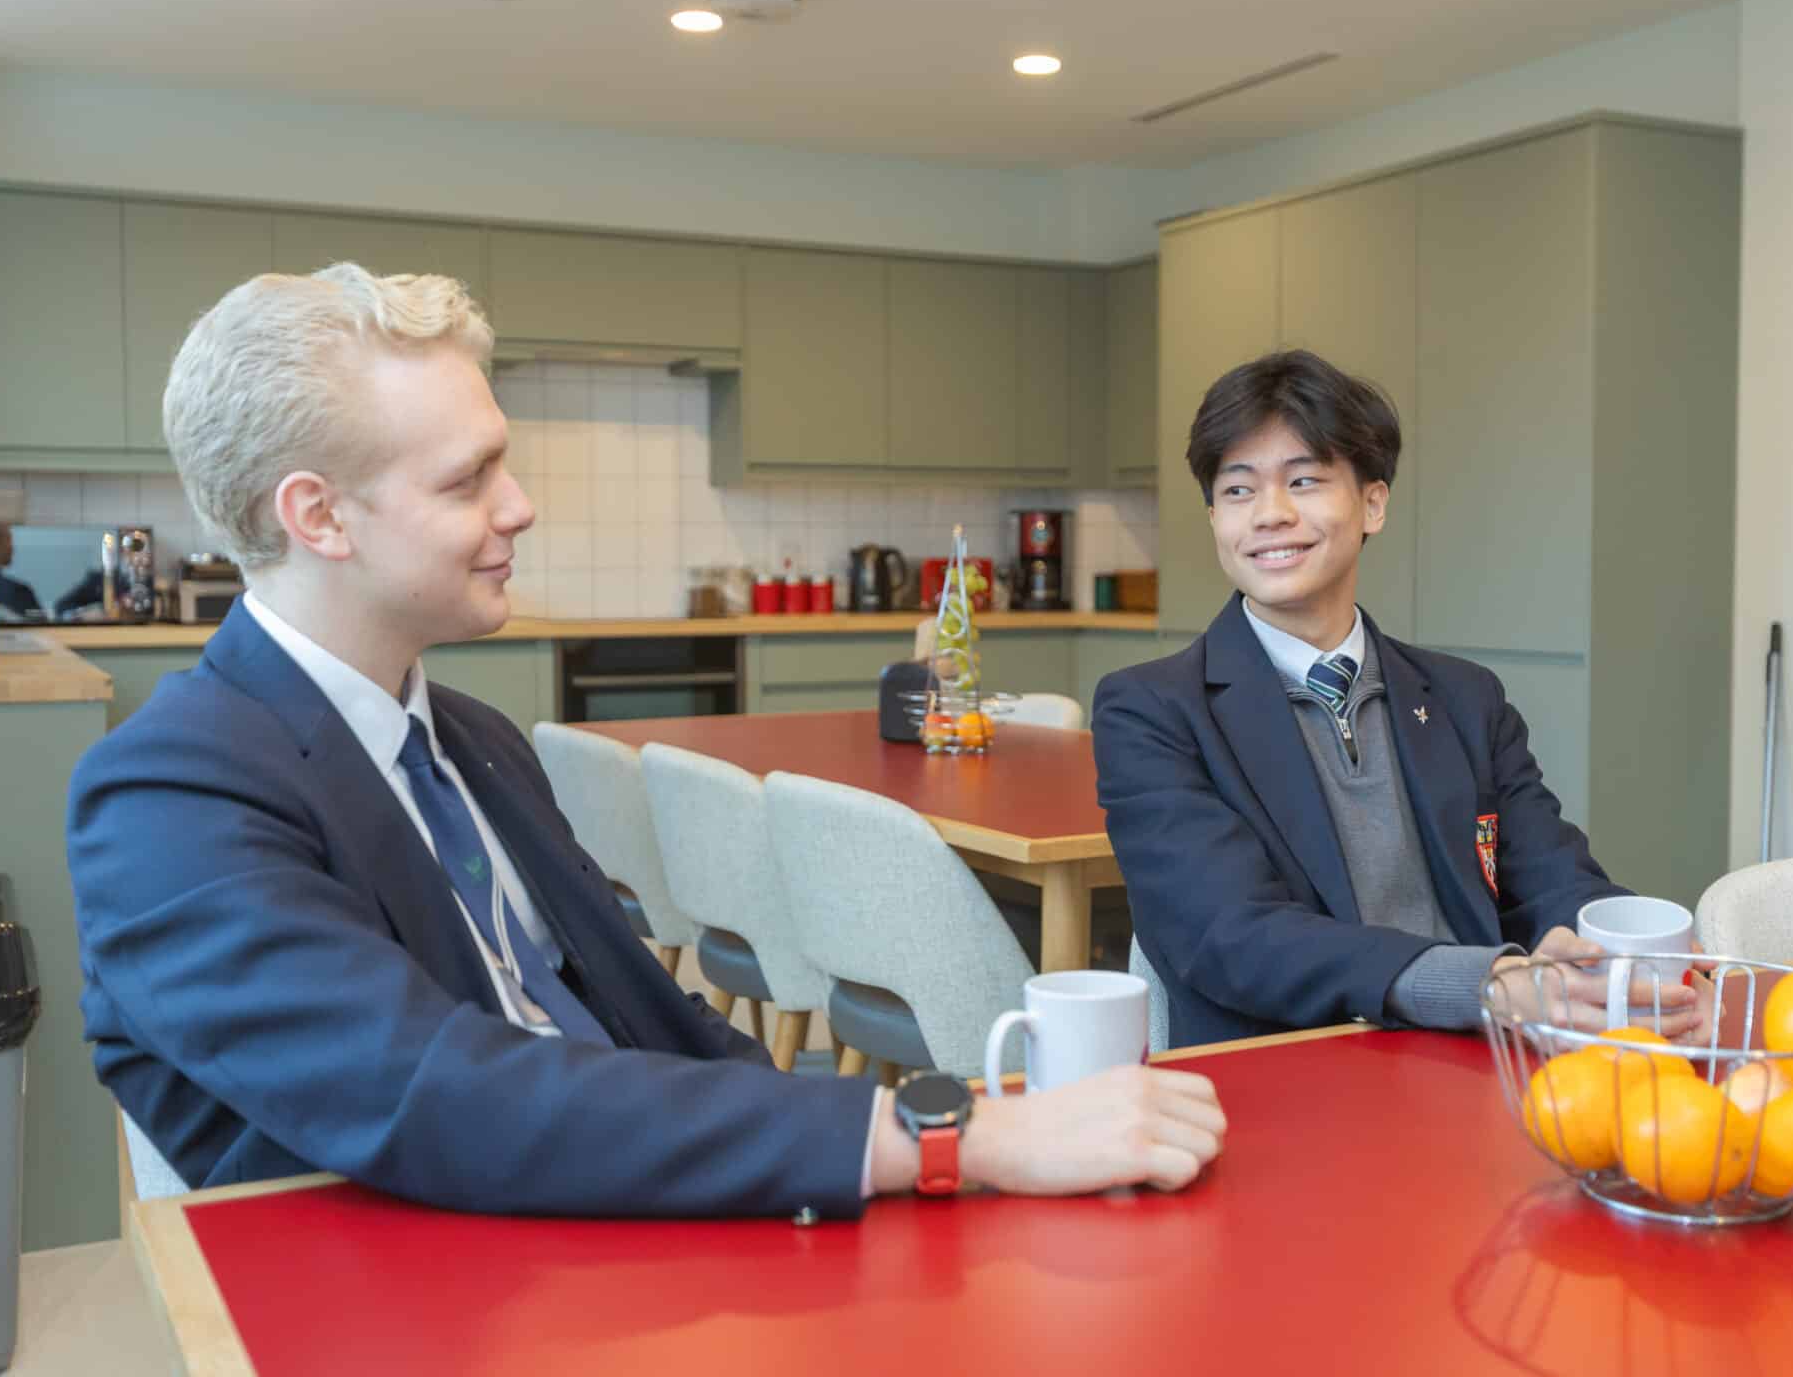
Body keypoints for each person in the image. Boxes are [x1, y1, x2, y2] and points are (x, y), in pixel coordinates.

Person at [67, 264, 1225, 1219]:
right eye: (469, 479)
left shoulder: (469, 738)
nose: (518, 505)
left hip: (599, 1227)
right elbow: (441, 1095)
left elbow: (654, 1022)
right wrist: (945, 1137)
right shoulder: (171, 794)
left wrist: (909, 1164)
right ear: (318, 516)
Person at [1093, 350, 1706, 1049]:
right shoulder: (1152, 711)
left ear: (1372, 504)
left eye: (1304, 480)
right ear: (1214, 517)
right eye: (1238, 491)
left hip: (1485, 1065)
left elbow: (1552, 879)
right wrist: (1487, 984)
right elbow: (1230, 936)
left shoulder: (1466, 698)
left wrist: (1660, 972)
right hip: (1293, 1081)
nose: (1270, 514)